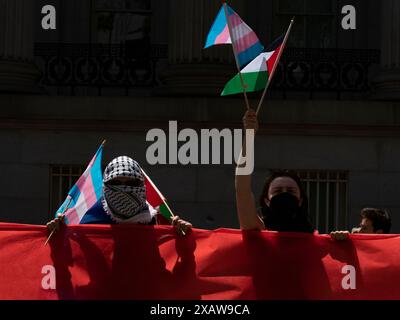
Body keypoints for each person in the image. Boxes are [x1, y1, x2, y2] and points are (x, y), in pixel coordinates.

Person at [47, 156, 192, 236]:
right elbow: (74, 264)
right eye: (116, 182)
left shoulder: (158, 222)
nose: (124, 189)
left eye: (131, 183)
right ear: (105, 186)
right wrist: (59, 237)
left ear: (142, 185)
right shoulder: (90, 223)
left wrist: (183, 239)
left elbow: (177, 268)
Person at [235, 109, 315, 233]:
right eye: (277, 191)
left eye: (290, 191)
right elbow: (242, 189)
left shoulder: (315, 239)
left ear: (300, 200)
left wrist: (343, 240)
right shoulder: (257, 229)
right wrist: (249, 135)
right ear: (267, 200)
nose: (284, 194)